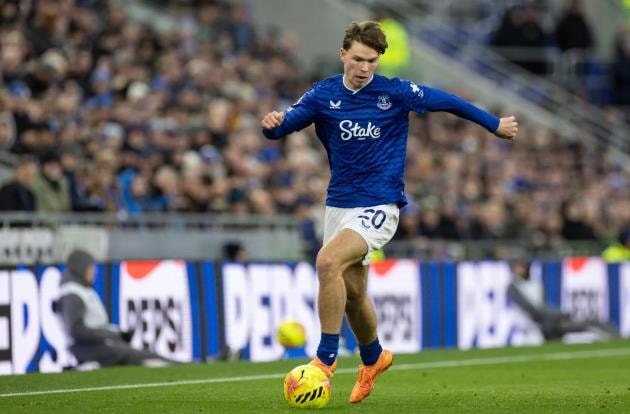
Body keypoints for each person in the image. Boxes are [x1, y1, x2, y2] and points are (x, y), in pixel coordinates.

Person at [261, 21, 518, 404]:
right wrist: (271, 125)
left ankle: (325, 360)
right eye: (358, 59)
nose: (365, 68)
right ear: (343, 54)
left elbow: (448, 100)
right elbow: (283, 127)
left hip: (380, 203)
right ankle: (373, 357)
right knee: (353, 295)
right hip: (339, 205)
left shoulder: (394, 92)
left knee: (327, 262)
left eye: (372, 61)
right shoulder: (323, 94)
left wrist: (493, 124)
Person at [58, 249, 173, 368]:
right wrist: (111, 335)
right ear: (80, 268)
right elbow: (77, 331)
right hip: (87, 349)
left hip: (96, 345)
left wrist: (116, 333)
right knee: (142, 358)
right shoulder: (71, 292)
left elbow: (93, 325)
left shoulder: (81, 289)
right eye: (90, 268)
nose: (94, 272)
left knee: (139, 354)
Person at [507, 259, 617, 341]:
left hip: (545, 321)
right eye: (518, 267)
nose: (520, 270)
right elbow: (531, 310)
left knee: (584, 322)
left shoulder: (534, 283)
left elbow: (541, 305)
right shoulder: (513, 287)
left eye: (522, 266)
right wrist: (555, 315)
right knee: (570, 324)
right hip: (534, 324)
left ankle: (607, 331)